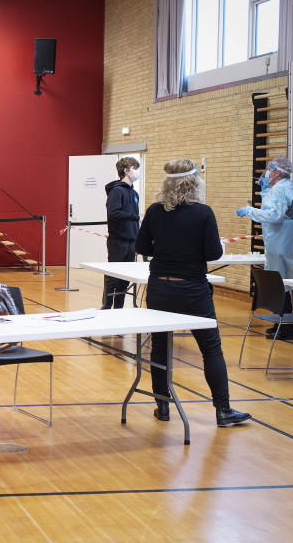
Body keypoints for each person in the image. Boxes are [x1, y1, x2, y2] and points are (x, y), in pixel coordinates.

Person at [136, 159, 251, 427]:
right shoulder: (203, 213)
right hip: (192, 289)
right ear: (193, 183)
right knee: (211, 348)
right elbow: (213, 253)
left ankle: (162, 407)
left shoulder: (154, 211)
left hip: (161, 287)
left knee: (160, 348)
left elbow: (143, 246)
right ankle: (223, 410)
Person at [236, 157, 293, 340]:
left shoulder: (281, 188)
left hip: (282, 239)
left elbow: (274, 215)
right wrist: (265, 191)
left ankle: (285, 328)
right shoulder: (283, 186)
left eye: (269, 168)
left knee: (281, 282)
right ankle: (281, 324)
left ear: (277, 172)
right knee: (281, 281)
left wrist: (250, 211)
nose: (266, 172)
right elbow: (275, 207)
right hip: (281, 238)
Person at [102, 157, 141, 309]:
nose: (137, 171)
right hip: (118, 241)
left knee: (125, 278)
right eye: (135, 168)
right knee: (113, 275)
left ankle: (119, 308)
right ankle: (106, 307)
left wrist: (138, 241)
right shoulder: (117, 191)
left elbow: (135, 221)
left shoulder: (135, 194)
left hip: (132, 241)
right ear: (126, 170)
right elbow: (113, 214)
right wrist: (135, 216)